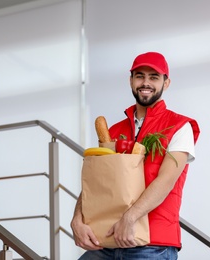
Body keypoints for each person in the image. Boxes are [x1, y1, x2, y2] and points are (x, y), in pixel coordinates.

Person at [71, 52, 200, 259]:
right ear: (131, 81)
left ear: (166, 83)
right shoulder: (113, 131)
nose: (145, 82)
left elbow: (166, 181)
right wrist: (78, 219)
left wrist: (129, 218)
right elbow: (95, 184)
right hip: (106, 241)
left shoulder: (179, 127)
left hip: (152, 245)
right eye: (139, 76)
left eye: (154, 77)